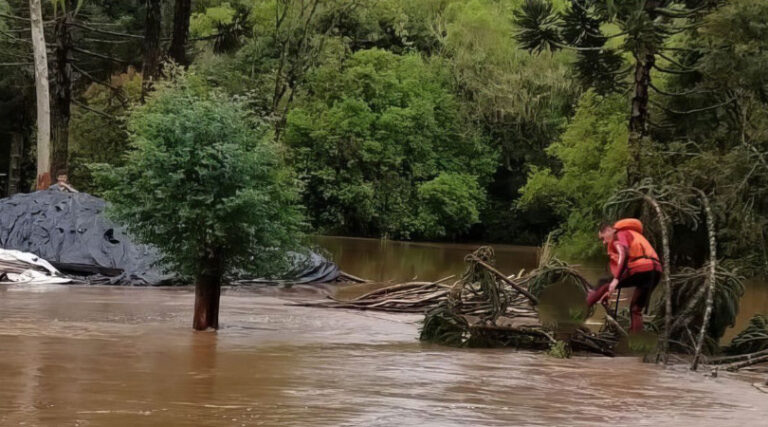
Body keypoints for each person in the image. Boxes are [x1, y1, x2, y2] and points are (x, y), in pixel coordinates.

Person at [586, 219, 661, 333]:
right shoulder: (634, 234)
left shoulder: (619, 234)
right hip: (655, 272)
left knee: (603, 282)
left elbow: (624, 253)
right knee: (636, 309)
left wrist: (616, 280)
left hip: (640, 269)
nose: (604, 242)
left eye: (603, 238)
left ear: (609, 230)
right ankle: (636, 341)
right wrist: (608, 290)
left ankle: (576, 316)